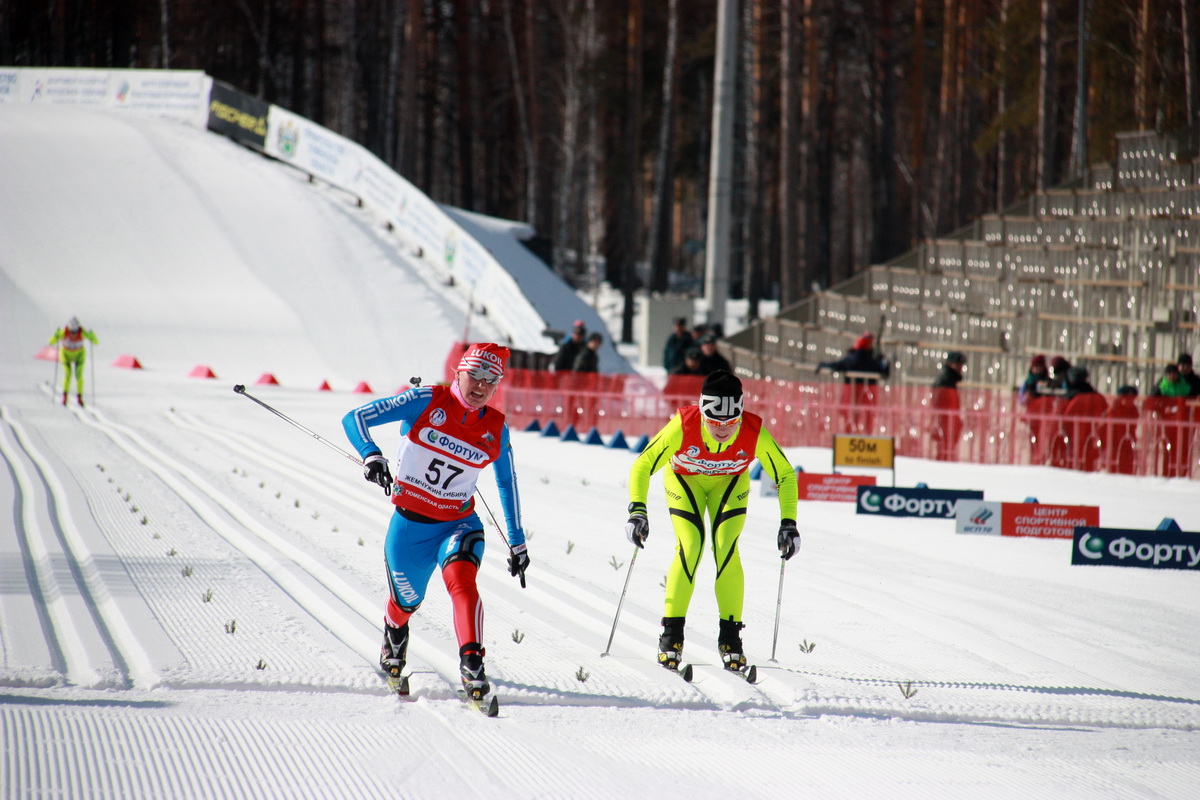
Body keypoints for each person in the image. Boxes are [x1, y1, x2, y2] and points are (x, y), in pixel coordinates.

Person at [342, 343, 529, 702]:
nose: (480, 386)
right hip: (410, 527)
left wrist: (517, 541)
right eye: (474, 375)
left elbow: (507, 482)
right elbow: (355, 418)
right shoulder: (426, 399)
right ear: (459, 372)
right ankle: (395, 636)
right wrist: (371, 455)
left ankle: (472, 663)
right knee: (404, 604)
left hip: (458, 524)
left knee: (462, 581)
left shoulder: (495, 427)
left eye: (491, 381)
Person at [624, 370, 799, 675]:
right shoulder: (683, 425)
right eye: (714, 421)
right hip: (684, 480)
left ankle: (731, 639)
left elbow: (785, 474)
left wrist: (788, 523)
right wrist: (637, 510)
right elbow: (642, 465)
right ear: (703, 412)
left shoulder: (753, 430)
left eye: (731, 422)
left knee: (726, 548)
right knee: (691, 546)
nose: (722, 429)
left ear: (739, 415)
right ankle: (671, 637)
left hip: (729, 483)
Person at [815, 331, 890, 433]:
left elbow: (839, 365)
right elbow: (884, 371)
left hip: (853, 394)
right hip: (867, 394)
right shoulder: (874, 360)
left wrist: (823, 365)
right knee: (867, 418)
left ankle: (851, 435)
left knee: (852, 417)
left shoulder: (855, 358)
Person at [49, 316, 98, 406]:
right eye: (72, 331)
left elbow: (95, 342)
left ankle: (79, 398)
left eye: (75, 331)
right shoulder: (63, 332)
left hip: (79, 355)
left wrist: (92, 336)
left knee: (79, 376)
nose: (73, 334)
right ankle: (65, 397)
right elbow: (51, 342)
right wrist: (56, 335)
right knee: (68, 375)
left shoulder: (82, 332)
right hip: (66, 355)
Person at [930, 351, 965, 461]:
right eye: (958, 365)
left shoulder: (948, 381)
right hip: (946, 424)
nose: (960, 368)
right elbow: (942, 404)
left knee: (946, 450)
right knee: (945, 450)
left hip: (949, 423)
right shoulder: (945, 382)